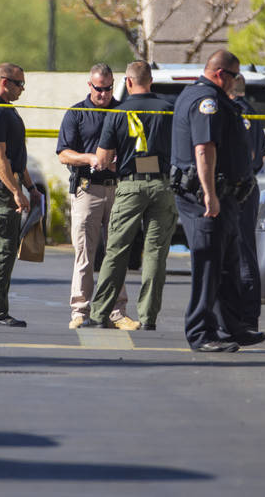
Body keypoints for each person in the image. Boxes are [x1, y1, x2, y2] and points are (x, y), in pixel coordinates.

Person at [170, 49, 265, 353]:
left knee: (226, 265)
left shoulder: (215, 98)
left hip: (225, 197)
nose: (237, 82)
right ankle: (200, 332)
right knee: (208, 264)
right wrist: (210, 195)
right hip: (206, 198)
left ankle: (233, 327)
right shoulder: (206, 101)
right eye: (235, 76)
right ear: (221, 73)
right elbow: (204, 149)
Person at [80, 61, 178, 331]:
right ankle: (149, 317)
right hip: (162, 184)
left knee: (116, 252)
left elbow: (101, 158)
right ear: (151, 81)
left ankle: (100, 314)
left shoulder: (117, 113)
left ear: (129, 82)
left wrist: (112, 160)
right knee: (156, 254)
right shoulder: (169, 110)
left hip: (130, 185)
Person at [56, 63, 138, 330]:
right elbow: (63, 154)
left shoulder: (122, 112)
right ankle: (80, 310)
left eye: (107, 88)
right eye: (98, 89)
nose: (103, 94)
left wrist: (118, 164)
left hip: (118, 189)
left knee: (117, 253)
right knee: (84, 253)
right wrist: (90, 158)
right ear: (89, 85)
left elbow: (137, 150)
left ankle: (117, 311)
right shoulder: (77, 114)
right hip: (87, 188)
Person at [0, 63, 41, 327]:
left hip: (9, 181)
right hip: (0, 186)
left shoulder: (6, 110)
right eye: (19, 84)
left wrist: (30, 186)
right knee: (3, 250)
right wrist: (15, 191)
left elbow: (15, 157)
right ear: (4, 82)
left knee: (8, 248)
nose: (22, 89)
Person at [228, 75, 265, 332]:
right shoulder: (252, 113)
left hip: (237, 188)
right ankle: (248, 315)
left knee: (238, 253)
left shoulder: (235, 114)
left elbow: (250, 154)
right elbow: (261, 158)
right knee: (246, 250)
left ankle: (244, 315)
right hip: (250, 185)